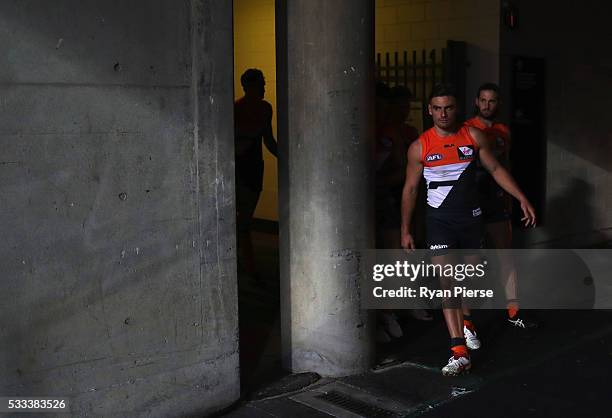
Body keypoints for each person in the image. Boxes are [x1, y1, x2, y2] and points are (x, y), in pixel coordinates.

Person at [400, 83, 536, 376]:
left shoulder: (473, 136)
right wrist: (406, 229)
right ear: (429, 111)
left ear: (457, 108)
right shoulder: (420, 146)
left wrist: (522, 197)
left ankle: (468, 320)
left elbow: (496, 170)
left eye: (448, 107)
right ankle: (458, 351)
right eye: (437, 108)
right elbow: (410, 189)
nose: (443, 113)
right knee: (447, 282)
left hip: (471, 220)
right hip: (439, 223)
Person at [464, 83, 537, 329]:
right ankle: (466, 320)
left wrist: (512, 196)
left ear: (498, 104)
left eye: (492, 101)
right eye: (483, 100)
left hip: (496, 200)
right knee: (471, 262)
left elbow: (502, 166)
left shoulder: (503, 129)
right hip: (472, 200)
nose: (487, 105)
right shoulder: (466, 130)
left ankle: (514, 311)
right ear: (476, 102)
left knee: (506, 256)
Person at [234, 69, 278, 280]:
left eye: (263, 83)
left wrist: (284, 156)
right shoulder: (237, 109)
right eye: (260, 84)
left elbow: (268, 140)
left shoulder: (264, 109)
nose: (264, 88)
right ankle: (248, 266)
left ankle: (244, 263)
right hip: (241, 169)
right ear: (249, 87)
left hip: (253, 168)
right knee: (243, 221)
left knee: (244, 219)